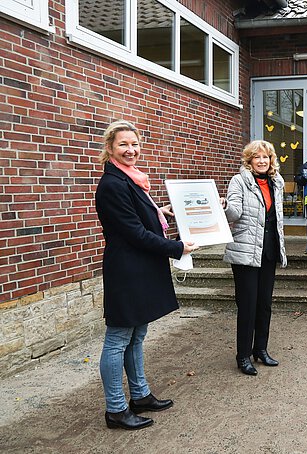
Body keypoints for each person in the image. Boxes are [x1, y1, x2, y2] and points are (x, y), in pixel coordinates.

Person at [95, 120, 198, 430]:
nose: (131, 150)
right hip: (127, 270)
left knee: (137, 335)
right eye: (124, 144)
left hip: (140, 268)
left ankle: (139, 395)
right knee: (117, 339)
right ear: (110, 148)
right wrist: (176, 247)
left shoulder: (131, 179)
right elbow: (134, 233)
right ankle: (115, 409)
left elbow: (140, 216)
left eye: (135, 144)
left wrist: (161, 211)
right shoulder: (113, 184)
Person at [223, 140, 287, 376]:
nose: (262, 161)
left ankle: (261, 349)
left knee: (265, 305)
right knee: (248, 306)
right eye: (257, 157)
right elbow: (235, 213)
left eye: (266, 157)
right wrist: (225, 205)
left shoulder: (276, 182)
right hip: (246, 251)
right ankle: (243, 356)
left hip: (269, 251)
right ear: (249, 160)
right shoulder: (239, 181)